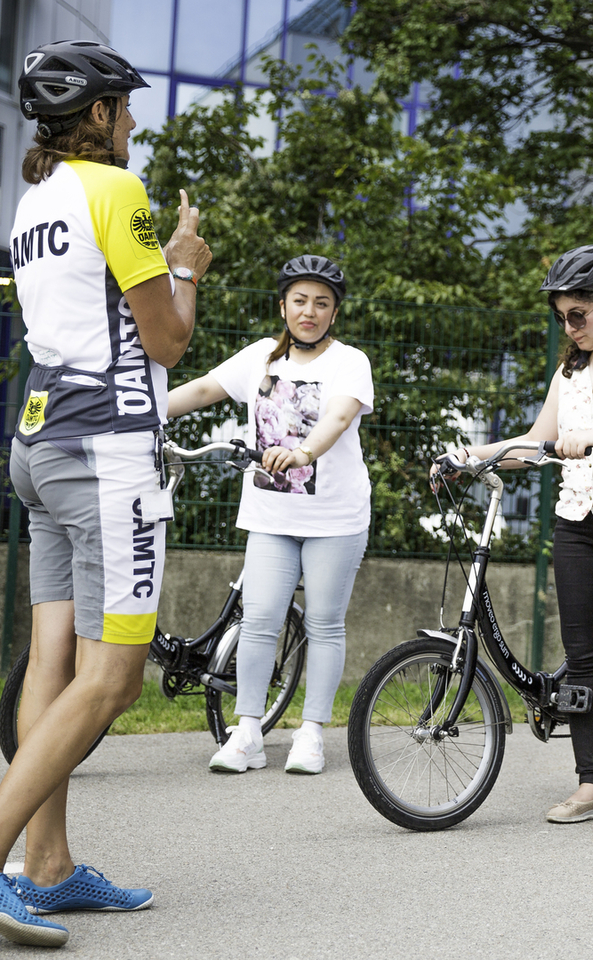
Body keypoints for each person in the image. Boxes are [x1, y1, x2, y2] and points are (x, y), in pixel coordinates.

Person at [0, 41, 212, 947]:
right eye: (124, 107)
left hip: (41, 442)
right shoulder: (114, 190)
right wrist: (186, 263)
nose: (133, 121)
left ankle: (46, 868)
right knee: (115, 678)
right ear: (95, 117)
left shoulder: (35, 199)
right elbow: (165, 341)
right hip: (108, 453)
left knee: (53, 664)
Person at [436, 245, 593, 823]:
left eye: (578, 315)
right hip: (579, 525)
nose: (568, 327)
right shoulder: (569, 371)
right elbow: (534, 441)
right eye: (562, 317)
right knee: (586, 656)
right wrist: (467, 455)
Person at [167, 255, 374, 775]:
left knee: (325, 624)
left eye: (321, 304)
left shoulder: (350, 362)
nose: (310, 312)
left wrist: (304, 452)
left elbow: (339, 416)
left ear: (334, 313)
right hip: (271, 514)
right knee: (259, 621)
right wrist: (137, 412)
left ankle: (310, 734)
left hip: (335, 517)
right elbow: (201, 391)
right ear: (283, 306)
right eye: (300, 301)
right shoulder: (261, 357)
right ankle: (248, 733)